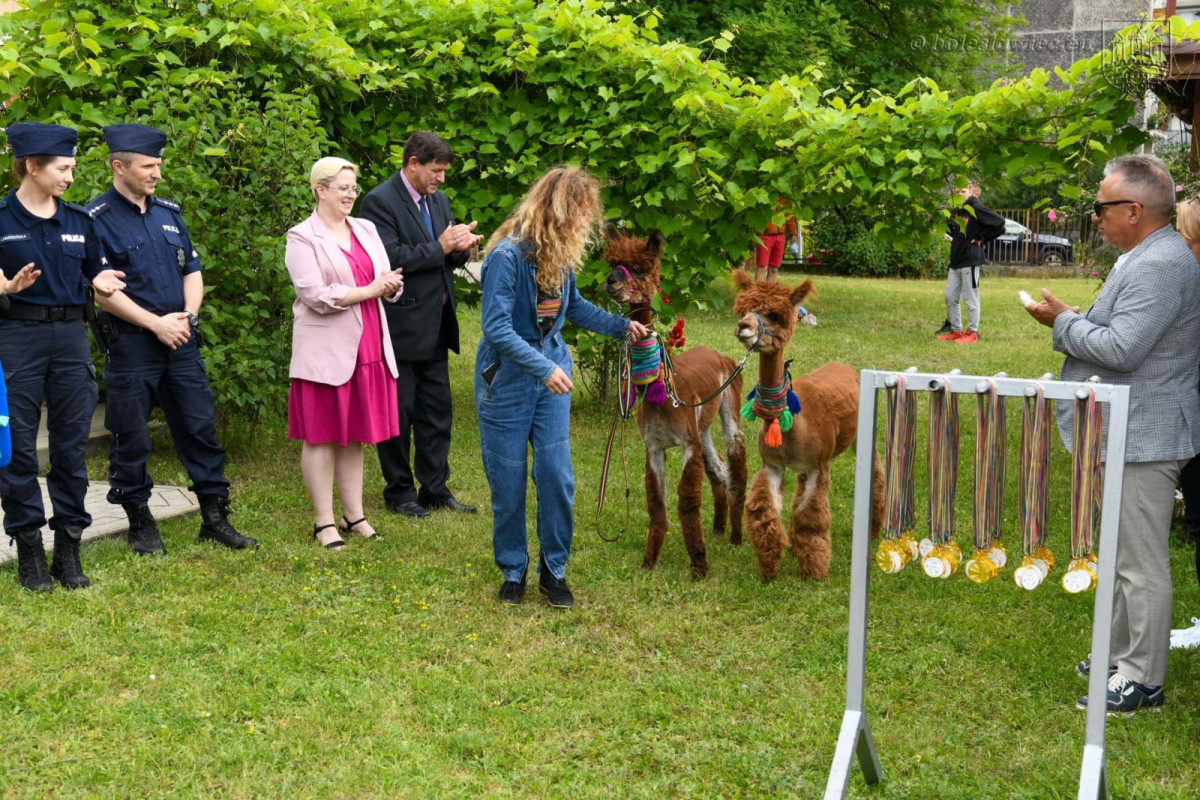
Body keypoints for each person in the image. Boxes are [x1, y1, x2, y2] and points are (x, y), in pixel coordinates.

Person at [1024, 154, 1200, 714]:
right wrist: (1076, 317)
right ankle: (1123, 654)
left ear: (1134, 210)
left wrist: (1063, 323)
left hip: (1146, 432)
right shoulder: (1144, 254)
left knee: (1139, 560)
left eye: (1100, 207)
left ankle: (1142, 680)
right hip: (1130, 425)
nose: (1093, 215)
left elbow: (1124, 349)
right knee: (1125, 551)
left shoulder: (1160, 264)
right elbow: (1123, 331)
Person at [475, 166, 650, 607]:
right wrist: (540, 368)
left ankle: (555, 571)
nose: (584, 225)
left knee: (556, 477)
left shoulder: (559, 254)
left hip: (551, 376)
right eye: (579, 215)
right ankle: (513, 569)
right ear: (556, 211)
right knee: (508, 481)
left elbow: (572, 307)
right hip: (508, 381)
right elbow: (496, 328)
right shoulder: (507, 256)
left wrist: (621, 326)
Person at [89, 124, 256, 555]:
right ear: (118, 166)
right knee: (132, 437)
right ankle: (140, 523)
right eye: (148, 166)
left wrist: (188, 317)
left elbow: (192, 271)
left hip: (181, 342)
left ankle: (215, 518)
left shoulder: (169, 213)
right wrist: (155, 324)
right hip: (132, 347)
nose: (156, 174)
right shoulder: (95, 221)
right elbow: (104, 294)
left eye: (158, 165)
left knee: (200, 428)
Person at [0, 122, 126, 592]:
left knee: (71, 449)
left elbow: (97, 270)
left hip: (72, 339)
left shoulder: (79, 221)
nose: (71, 177)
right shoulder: (2, 220)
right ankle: (29, 548)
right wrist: (6, 287)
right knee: (17, 453)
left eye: (72, 167)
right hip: (18, 339)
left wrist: (104, 280)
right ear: (32, 166)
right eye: (63, 168)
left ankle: (68, 549)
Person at [359, 131, 482, 519]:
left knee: (436, 412)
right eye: (436, 170)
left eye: (444, 171)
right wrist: (441, 247)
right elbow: (388, 258)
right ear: (413, 163)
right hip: (401, 325)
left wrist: (461, 249)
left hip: (437, 323)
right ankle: (399, 492)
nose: (441, 179)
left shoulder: (438, 200)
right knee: (399, 413)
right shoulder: (378, 202)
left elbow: (440, 257)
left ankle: (435, 488)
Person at [285, 157, 404, 549]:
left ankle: (355, 515)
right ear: (320, 190)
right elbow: (315, 294)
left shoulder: (366, 228)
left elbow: (384, 276)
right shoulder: (301, 236)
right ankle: (323, 523)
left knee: (355, 434)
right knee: (321, 437)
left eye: (354, 188)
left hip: (369, 341)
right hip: (325, 350)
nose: (352, 195)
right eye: (343, 188)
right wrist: (371, 290)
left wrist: (390, 287)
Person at [937, 180, 1004, 343]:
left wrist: (981, 238)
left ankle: (972, 333)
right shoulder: (957, 211)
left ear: (969, 191)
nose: (959, 195)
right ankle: (956, 330)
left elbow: (999, 224)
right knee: (950, 296)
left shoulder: (976, 207)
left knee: (970, 297)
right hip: (956, 260)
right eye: (956, 192)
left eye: (963, 192)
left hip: (971, 259)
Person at [753, 197, 798, 283]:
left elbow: (789, 215)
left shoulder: (786, 196)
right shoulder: (765, 193)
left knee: (774, 269)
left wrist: (793, 233)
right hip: (764, 235)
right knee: (762, 268)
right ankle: (758, 295)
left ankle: (770, 295)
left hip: (780, 236)